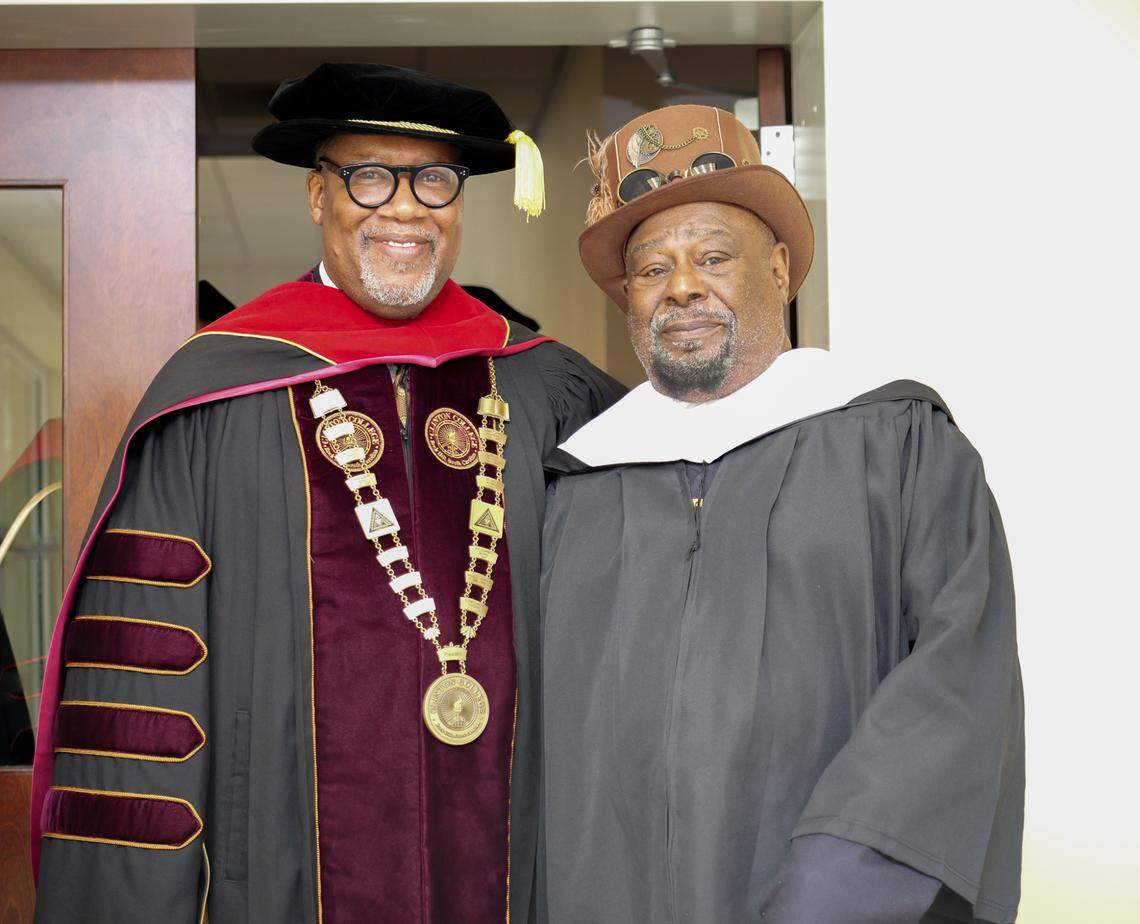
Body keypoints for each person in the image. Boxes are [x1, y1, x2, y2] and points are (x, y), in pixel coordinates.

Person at [32, 63, 622, 922]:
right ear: (318, 196)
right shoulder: (214, 401)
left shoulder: (544, 387)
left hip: (512, 862)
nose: (406, 208)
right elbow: (142, 692)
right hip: (276, 866)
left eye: (434, 179)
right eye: (370, 177)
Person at [539, 105, 1023, 923]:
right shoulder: (578, 484)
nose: (681, 286)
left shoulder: (897, 445)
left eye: (714, 256)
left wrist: (836, 891)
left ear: (779, 267)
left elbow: (956, 679)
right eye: (652, 269)